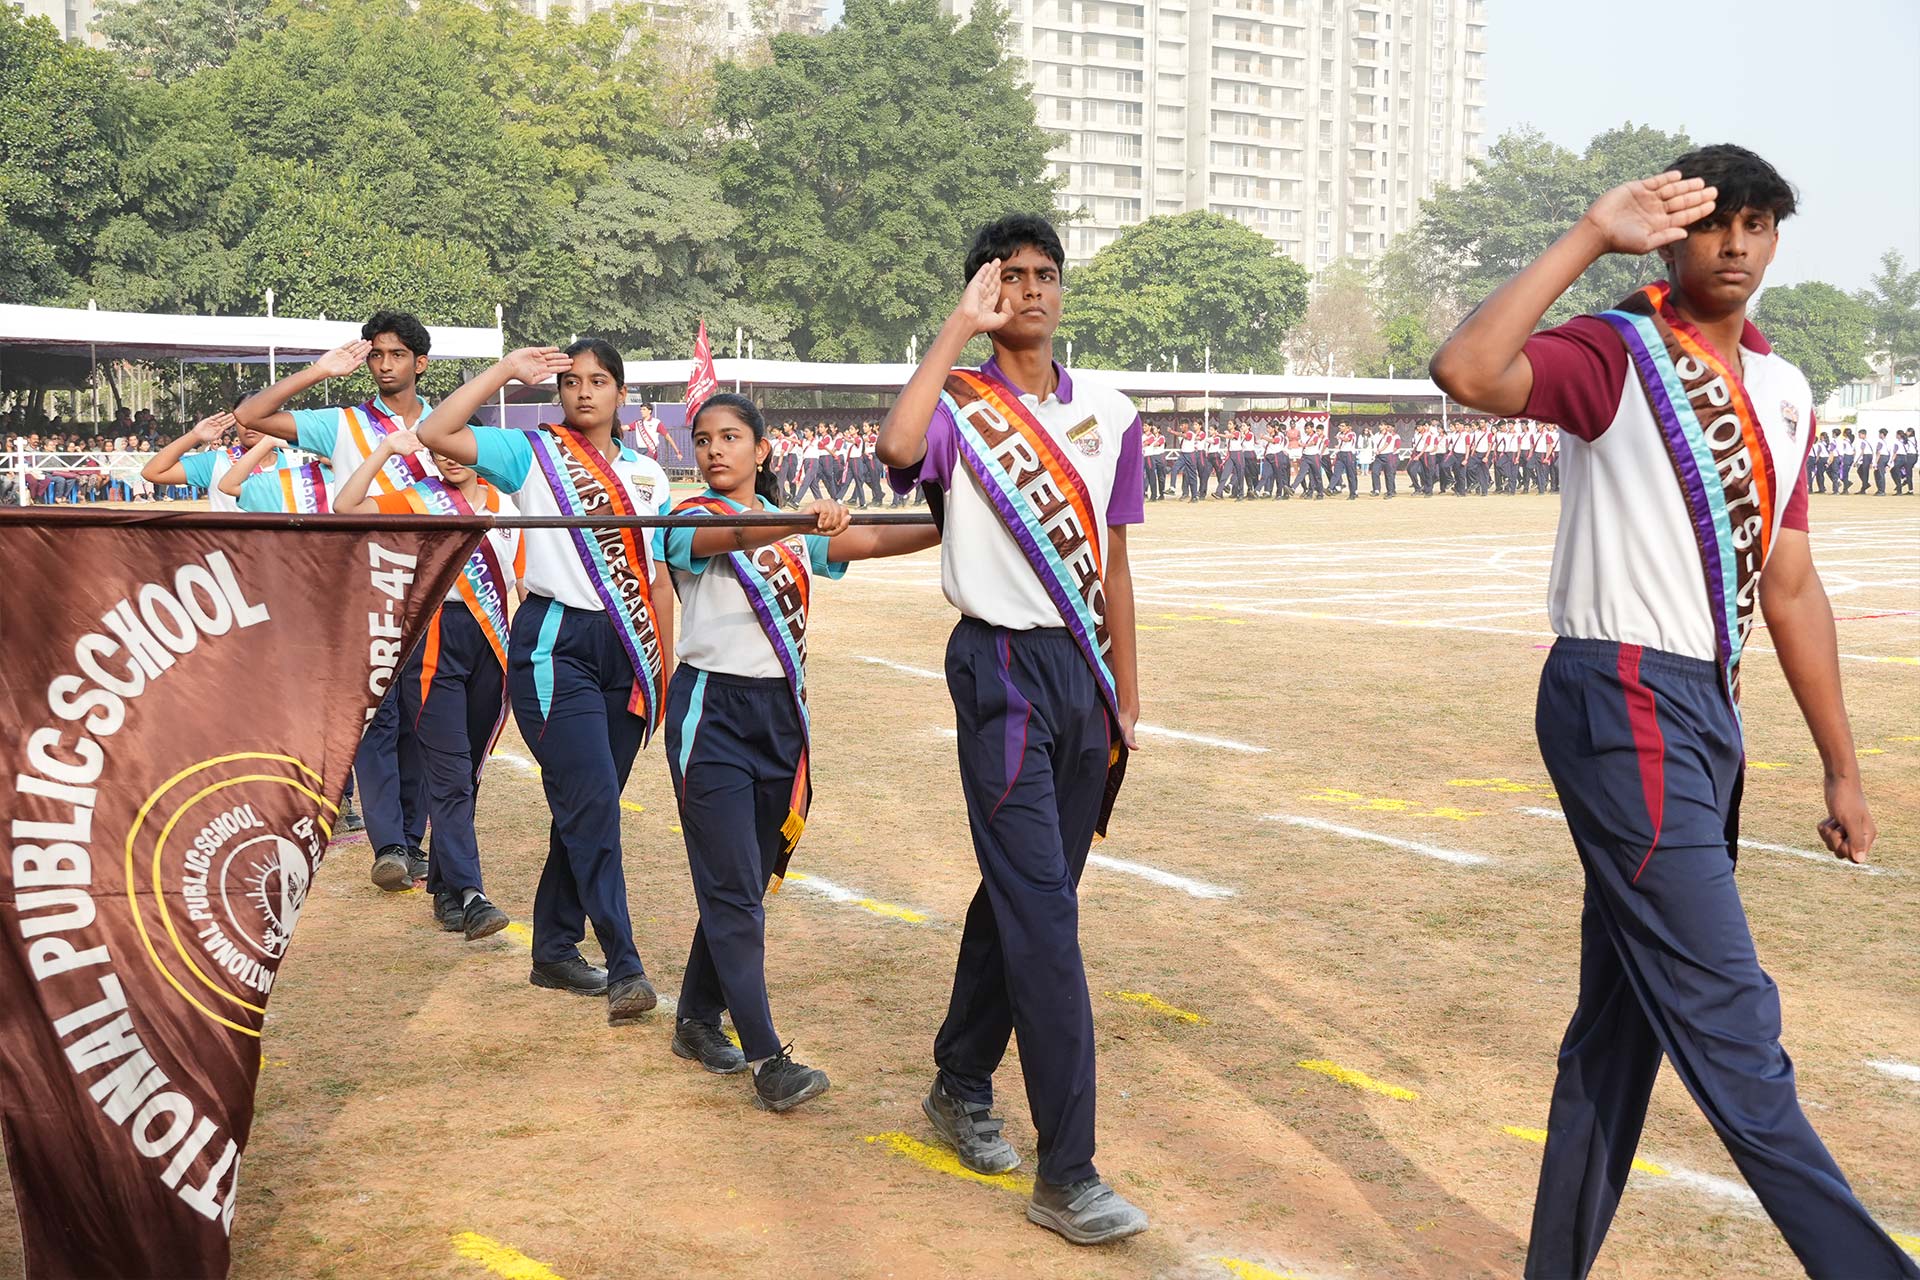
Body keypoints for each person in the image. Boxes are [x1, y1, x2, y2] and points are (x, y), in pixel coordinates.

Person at [1430, 146, 1917, 1280]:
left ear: (1777, 239)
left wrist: (1842, 768)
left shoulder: (1786, 390)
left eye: (1757, 224)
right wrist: (1590, 235)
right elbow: (1468, 368)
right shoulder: (1618, 350)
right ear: (1674, 234)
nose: (1735, 244)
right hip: (1622, 696)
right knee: (1732, 1019)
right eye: (1712, 223)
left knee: (1622, 1028)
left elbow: (1790, 584)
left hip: (1706, 707)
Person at [877, 214, 1148, 1247]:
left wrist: (1127, 690)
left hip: (1082, 674)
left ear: (1062, 289)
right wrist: (959, 327)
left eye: (1044, 274)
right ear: (985, 292)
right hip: (997, 669)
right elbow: (898, 450)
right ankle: (1067, 1172)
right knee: (1046, 916)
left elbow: (1114, 560)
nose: (1030, 289)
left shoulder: (1111, 413)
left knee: (1030, 894)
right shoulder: (958, 403)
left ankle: (958, 1078)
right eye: (1009, 277)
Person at [659, 392, 940, 1109]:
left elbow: (873, 541)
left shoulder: (792, 533)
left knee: (745, 882)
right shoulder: (688, 518)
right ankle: (766, 1059)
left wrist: (955, 520)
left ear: (762, 450)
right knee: (732, 891)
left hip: (781, 718)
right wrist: (801, 517)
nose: (714, 450)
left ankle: (696, 1018)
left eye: (730, 437)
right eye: (703, 439)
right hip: (711, 716)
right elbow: (731, 537)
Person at [417, 340, 677, 1029]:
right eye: (572, 382)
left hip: (628, 649)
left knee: (587, 805)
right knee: (593, 807)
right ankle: (626, 964)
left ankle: (555, 948)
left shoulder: (649, 475)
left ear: (622, 393)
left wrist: (665, 664)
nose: (584, 392)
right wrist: (505, 371)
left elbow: (655, 579)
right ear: (558, 394)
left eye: (599, 380)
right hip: (554, 648)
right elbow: (436, 431)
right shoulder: (531, 454)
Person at [237, 314, 441, 891]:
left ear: (420, 363)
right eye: (376, 355)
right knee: (376, 717)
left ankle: (415, 840)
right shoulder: (343, 423)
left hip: (434, 587)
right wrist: (319, 371)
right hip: (364, 587)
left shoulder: (446, 424)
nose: (383, 365)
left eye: (395, 354)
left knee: (422, 718)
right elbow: (251, 416)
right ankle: (390, 845)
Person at [335, 426, 527, 942]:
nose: (450, 458)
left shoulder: (508, 505)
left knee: (469, 773)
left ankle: (444, 889)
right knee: (448, 772)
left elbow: (523, 586)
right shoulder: (419, 499)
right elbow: (346, 508)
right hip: (432, 644)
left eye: (458, 447)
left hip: (492, 646)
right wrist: (384, 450)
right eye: (439, 450)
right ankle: (471, 893)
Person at [141, 412, 251, 512]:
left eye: (259, 417)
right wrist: (194, 436)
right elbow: (152, 472)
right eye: (245, 418)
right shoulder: (217, 460)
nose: (252, 425)